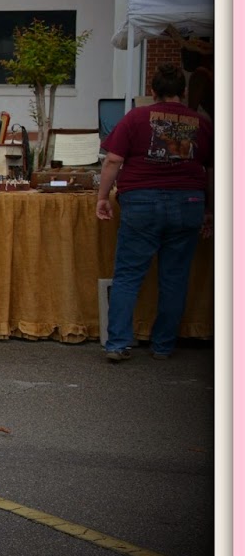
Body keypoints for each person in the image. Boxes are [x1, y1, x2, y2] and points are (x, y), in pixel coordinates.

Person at [97, 64, 213, 362]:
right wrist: (209, 209)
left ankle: (117, 343)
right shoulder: (202, 123)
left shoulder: (136, 117)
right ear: (183, 92)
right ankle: (163, 346)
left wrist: (102, 197)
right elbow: (212, 170)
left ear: (152, 91)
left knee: (128, 275)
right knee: (175, 277)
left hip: (142, 202)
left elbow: (112, 160)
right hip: (189, 201)